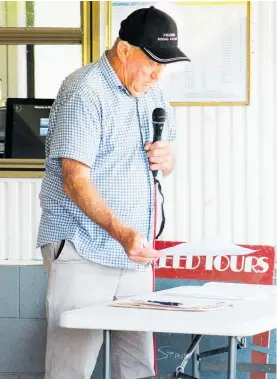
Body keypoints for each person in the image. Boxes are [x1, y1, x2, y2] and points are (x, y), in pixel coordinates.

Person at [37, 5, 190, 379]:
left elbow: (165, 165)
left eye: (165, 64)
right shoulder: (84, 91)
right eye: (152, 61)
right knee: (71, 366)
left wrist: (167, 160)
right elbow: (75, 180)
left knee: (138, 365)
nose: (158, 73)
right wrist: (123, 234)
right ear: (124, 50)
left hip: (134, 252)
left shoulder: (153, 94)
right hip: (84, 245)